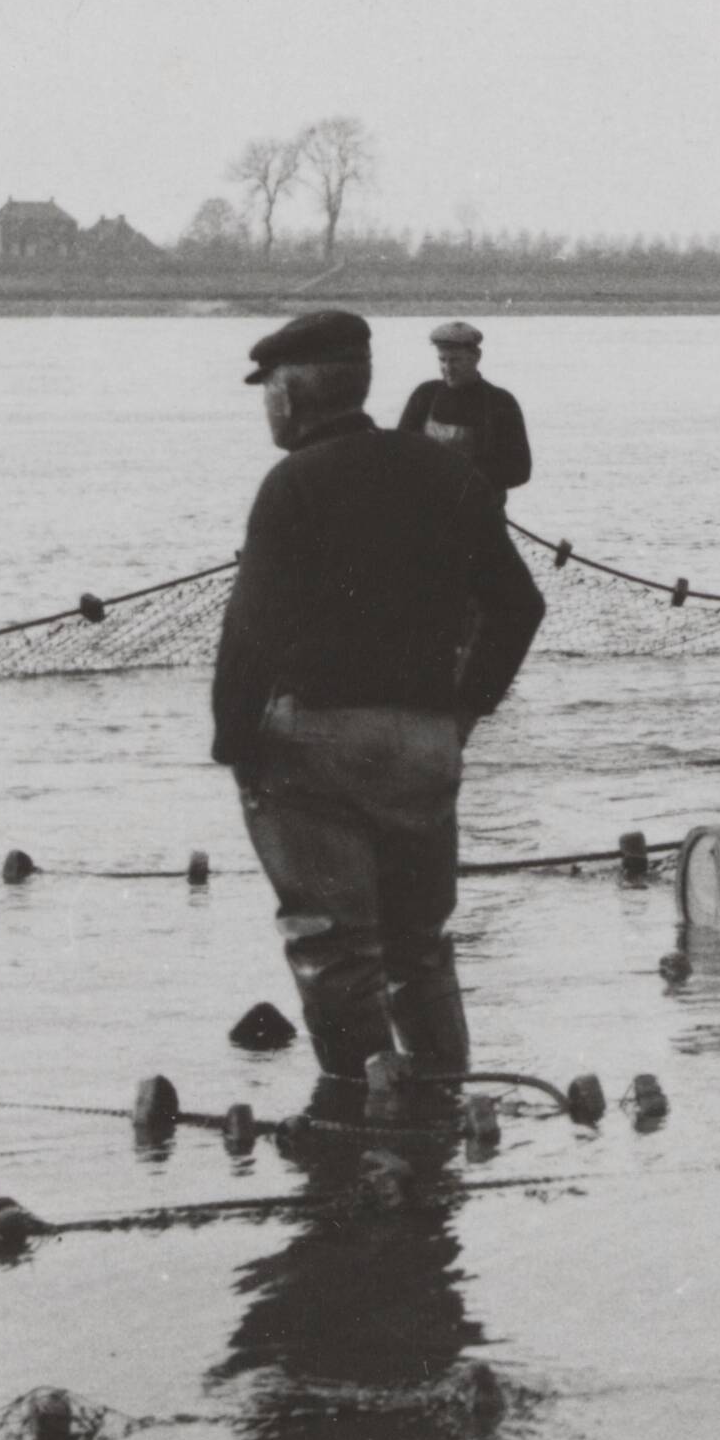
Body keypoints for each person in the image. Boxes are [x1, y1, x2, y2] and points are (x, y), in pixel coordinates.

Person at [214, 310, 546, 1117]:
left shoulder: (292, 484)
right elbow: (519, 605)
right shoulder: (444, 473)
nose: (266, 406)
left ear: (292, 397)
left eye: (268, 390)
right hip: (424, 742)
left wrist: (235, 745)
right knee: (420, 948)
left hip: (316, 746)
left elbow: (249, 634)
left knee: (335, 951)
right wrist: (464, 713)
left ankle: (356, 1126)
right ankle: (440, 1114)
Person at [396, 320, 532, 493]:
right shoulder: (425, 395)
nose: (448, 368)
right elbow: (400, 453)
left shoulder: (501, 402)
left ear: (476, 357)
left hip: (479, 506)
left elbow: (520, 470)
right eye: (442, 360)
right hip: (427, 505)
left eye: (455, 360)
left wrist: (462, 478)